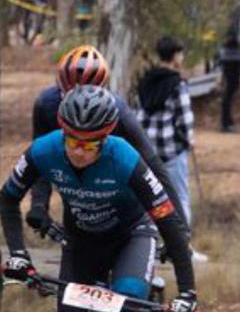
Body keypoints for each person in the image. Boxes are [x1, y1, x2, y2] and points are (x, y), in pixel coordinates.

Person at [0, 85, 199, 312]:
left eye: (89, 144)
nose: (78, 150)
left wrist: (188, 291)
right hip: (82, 244)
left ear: (105, 139)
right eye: (72, 141)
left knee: (125, 305)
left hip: (131, 238)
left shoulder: (123, 157)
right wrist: (18, 254)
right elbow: (8, 198)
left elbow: (167, 219)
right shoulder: (45, 150)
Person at [29, 45, 187, 230]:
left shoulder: (119, 112)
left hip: (117, 190)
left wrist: (179, 224)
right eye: (67, 96)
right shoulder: (45, 105)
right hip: (76, 194)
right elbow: (40, 160)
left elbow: (153, 165)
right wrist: (39, 205)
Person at [138, 37, 196, 227]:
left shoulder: (145, 80)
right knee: (179, 196)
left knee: (150, 198)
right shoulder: (177, 84)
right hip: (171, 150)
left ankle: (151, 241)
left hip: (147, 149)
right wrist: (189, 140)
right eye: (181, 53)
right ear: (175, 56)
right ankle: (183, 246)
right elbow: (184, 118)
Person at [221, 5, 240, 133]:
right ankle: (226, 123)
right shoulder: (238, 12)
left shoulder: (236, 10)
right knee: (231, 88)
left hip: (231, 56)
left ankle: (226, 122)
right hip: (232, 57)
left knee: (231, 87)